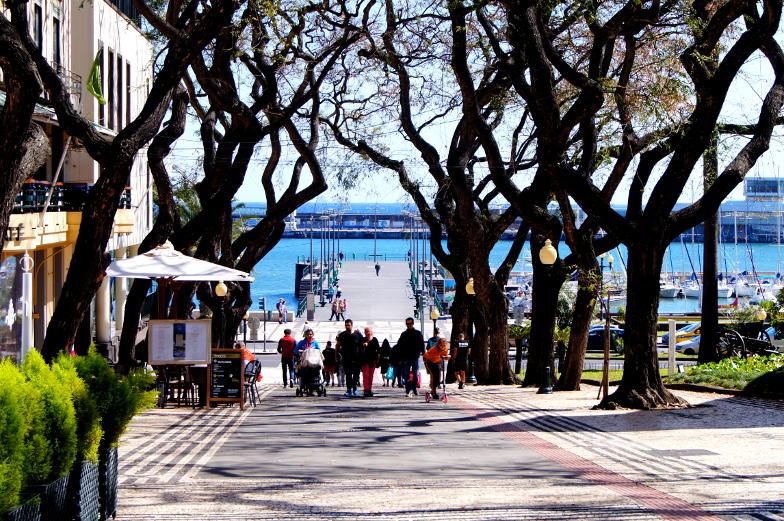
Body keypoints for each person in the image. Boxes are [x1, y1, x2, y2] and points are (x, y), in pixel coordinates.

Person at [396, 317, 425, 397]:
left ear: (413, 324)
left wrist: (424, 354)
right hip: (405, 357)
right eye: (407, 324)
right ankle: (408, 390)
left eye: (410, 323)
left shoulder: (418, 333)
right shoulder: (403, 334)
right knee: (406, 375)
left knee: (415, 375)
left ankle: (414, 387)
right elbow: (399, 347)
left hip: (415, 357)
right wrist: (399, 358)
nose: (408, 325)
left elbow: (422, 344)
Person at [336, 319, 363, 397]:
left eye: (349, 325)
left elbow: (362, 344)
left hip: (356, 358)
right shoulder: (342, 335)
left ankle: (355, 389)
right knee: (348, 374)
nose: (347, 327)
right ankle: (348, 389)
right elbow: (338, 345)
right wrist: (336, 355)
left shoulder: (357, 334)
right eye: (346, 325)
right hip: (346, 358)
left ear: (352, 325)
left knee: (356, 374)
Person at [359, 327, 380, 397]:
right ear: (364, 333)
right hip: (365, 361)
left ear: (371, 332)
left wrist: (378, 359)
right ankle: (366, 390)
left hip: (373, 361)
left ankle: (369, 390)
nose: (367, 332)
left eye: (368, 331)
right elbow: (360, 346)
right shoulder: (363, 340)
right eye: (366, 331)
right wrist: (363, 344)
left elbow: (378, 349)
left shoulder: (375, 339)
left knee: (371, 376)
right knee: (366, 376)